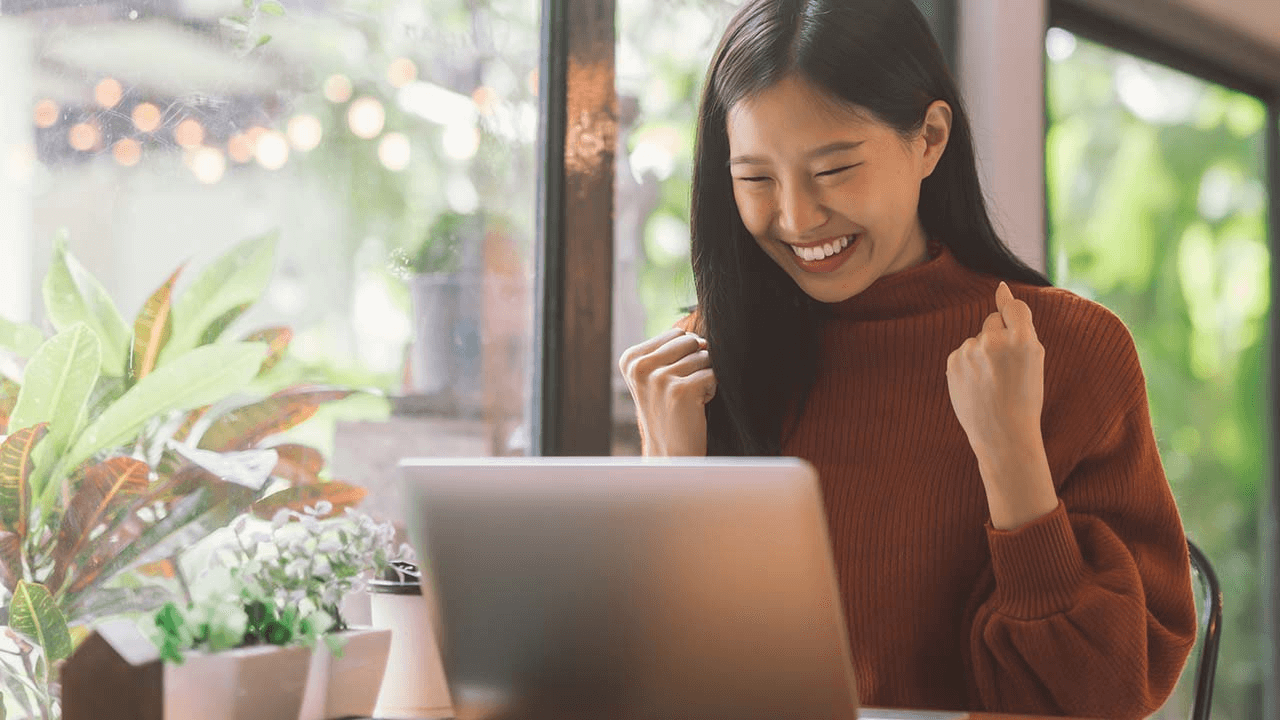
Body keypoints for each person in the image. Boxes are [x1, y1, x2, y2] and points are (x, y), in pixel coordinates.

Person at [618, 0, 1198, 717]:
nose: (797, 219)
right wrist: (670, 487)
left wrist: (1013, 459)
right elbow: (665, 690)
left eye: (833, 168)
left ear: (928, 139)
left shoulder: (1067, 353)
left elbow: (1103, 699)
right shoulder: (703, 362)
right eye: (757, 179)